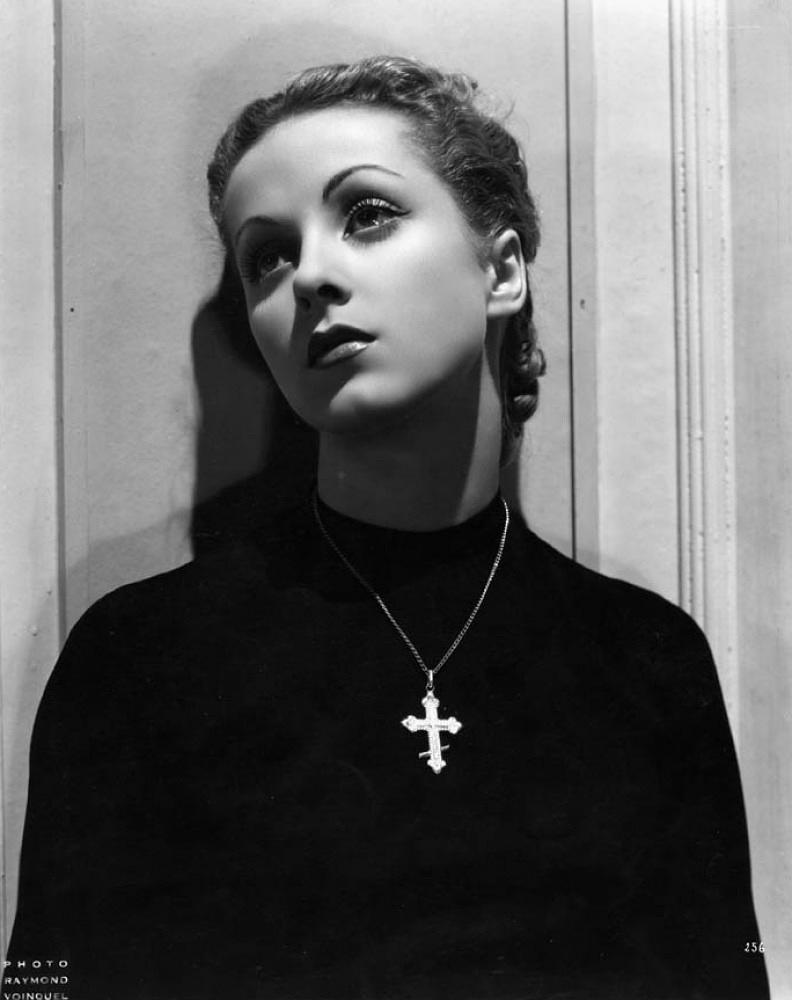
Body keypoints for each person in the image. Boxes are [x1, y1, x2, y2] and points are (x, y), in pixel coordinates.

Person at [6, 56, 769, 999]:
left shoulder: (649, 658)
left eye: (366, 214)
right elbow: (48, 985)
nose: (311, 276)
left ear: (500, 271)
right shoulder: (137, 657)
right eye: (266, 256)